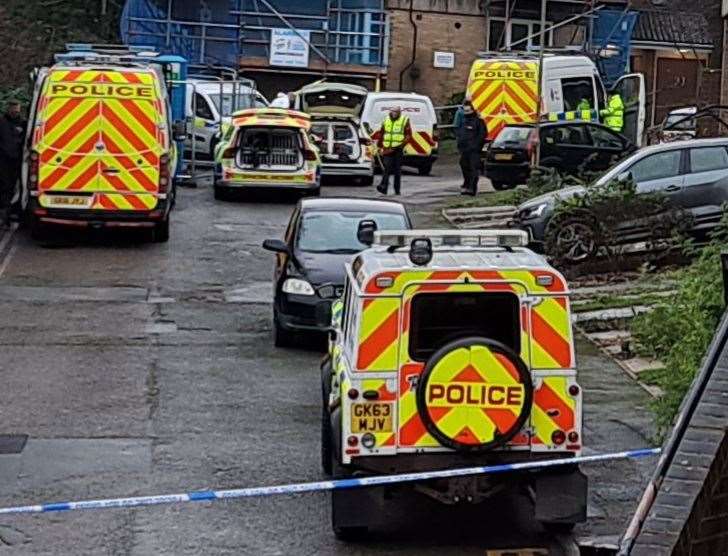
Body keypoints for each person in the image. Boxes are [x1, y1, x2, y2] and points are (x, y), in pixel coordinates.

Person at [0, 99, 25, 227]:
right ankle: (5, 217)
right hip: (3, 162)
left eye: (16, 108)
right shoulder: (2, 122)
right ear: (8, 108)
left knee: (20, 188)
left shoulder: (23, 123)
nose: (14, 110)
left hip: (19, 162)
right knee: (6, 188)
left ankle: (15, 214)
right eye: (12, 108)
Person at [376, 106, 412, 195]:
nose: (394, 113)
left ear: (399, 112)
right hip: (387, 149)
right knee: (386, 168)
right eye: (392, 111)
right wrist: (379, 145)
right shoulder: (386, 120)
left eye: (396, 112)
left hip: (398, 149)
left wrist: (402, 144)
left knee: (397, 170)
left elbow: (408, 135)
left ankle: (397, 190)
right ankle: (383, 187)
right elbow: (382, 133)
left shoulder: (404, 120)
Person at [456, 100, 487, 197]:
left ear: (472, 110)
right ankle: (466, 184)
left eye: (468, 111)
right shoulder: (465, 121)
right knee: (464, 166)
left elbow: (482, 135)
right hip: (464, 150)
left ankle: (472, 188)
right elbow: (461, 134)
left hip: (474, 151)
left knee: (474, 169)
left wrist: (475, 146)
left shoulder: (478, 121)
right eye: (465, 111)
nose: (467, 113)